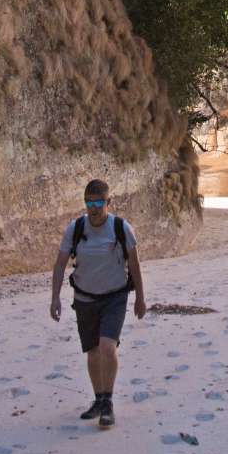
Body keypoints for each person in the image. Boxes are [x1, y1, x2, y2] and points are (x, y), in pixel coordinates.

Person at [49, 179, 147, 429]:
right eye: (89, 202)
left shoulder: (121, 228)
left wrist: (140, 298)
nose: (93, 208)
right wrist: (55, 297)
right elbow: (60, 264)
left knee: (106, 347)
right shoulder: (76, 228)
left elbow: (134, 264)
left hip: (114, 297)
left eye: (98, 202)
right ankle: (99, 399)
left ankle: (109, 403)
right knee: (92, 351)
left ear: (108, 202)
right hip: (84, 298)